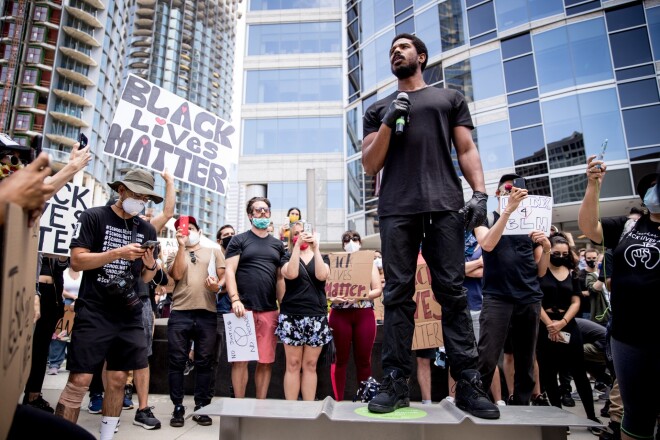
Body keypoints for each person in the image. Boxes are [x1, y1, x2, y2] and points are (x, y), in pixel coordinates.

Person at [361, 33, 497, 418]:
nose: (395, 52)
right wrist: (390, 119)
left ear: (420, 56)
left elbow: (467, 149)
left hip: (444, 205)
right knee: (398, 294)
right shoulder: (379, 109)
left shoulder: (448, 99)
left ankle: (469, 385)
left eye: (403, 47)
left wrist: (480, 194)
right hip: (396, 209)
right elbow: (371, 164)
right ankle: (394, 384)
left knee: (452, 293)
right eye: (391, 50)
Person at [53, 169, 162, 440]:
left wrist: (150, 264)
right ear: (121, 190)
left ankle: (107, 436)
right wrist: (117, 253)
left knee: (117, 378)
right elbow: (77, 260)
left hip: (129, 312)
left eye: (144, 197)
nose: (139, 201)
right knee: (80, 380)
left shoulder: (146, 228)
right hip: (94, 309)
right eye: (136, 195)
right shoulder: (94, 217)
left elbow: (146, 277)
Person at [578, 157, 660, 440]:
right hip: (628, 335)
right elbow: (590, 227)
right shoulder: (629, 226)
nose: (655, 190)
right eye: (650, 187)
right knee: (636, 412)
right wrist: (593, 185)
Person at [473, 173, 551, 406]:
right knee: (487, 355)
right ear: (499, 194)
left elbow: (540, 272)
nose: (513, 196)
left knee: (526, 358)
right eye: (508, 192)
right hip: (497, 297)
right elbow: (487, 244)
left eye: (519, 193)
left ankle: (522, 401)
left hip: (528, 297)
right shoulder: (483, 219)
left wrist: (546, 248)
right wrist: (507, 212)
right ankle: (477, 398)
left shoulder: (532, 225)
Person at [535, 234, 601, 431]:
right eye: (556, 253)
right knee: (548, 374)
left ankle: (591, 417)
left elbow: (576, 301)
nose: (561, 256)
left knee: (579, 373)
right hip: (544, 326)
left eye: (565, 253)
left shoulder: (573, 274)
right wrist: (549, 324)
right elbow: (535, 300)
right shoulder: (540, 273)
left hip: (569, 326)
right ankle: (559, 418)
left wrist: (562, 322)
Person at [225, 197, 285, 399]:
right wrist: (235, 299)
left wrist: (282, 307)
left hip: (269, 310)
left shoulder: (278, 245)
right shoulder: (239, 240)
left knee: (266, 361)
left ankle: (260, 406)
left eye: (266, 210)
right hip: (242, 309)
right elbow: (230, 271)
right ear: (250, 215)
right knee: (240, 361)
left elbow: (279, 278)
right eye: (257, 210)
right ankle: (239, 405)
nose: (262, 214)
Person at [167, 215, 224, 427]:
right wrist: (181, 246)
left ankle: (201, 405)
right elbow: (177, 274)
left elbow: (222, 280)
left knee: (204, 362)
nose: (188, 231)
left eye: (191, 228)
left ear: (199, 231)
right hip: (180, 313)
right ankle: (178, 407)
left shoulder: (214, 251)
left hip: (207, 313)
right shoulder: (174, 254)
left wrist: (216, 286)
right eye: (183, 229)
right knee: (176, 362)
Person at [277, 221, 332, 400]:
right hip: (291, 314)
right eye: (296, 233)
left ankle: (308, 408)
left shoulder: (322, 257)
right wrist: (295, 249)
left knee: (310, 364)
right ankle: (291, 409)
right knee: (292, 364)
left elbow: (322, 275)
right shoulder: (286, 257)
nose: (301, 235)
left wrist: (316, 248)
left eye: (304, 232)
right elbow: (291, 274)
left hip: (316, 315)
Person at [328, 231, 382, 401]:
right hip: (340, 314)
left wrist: (361, 295)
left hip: (363, 313)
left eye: (354, 239)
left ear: (360, 242)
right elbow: (326, 290)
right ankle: (338, 400)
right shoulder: (334, 264)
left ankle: (366, 399)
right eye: (347, 240)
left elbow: (377, 290)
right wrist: (332, 297)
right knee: (339, 359)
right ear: (342, 244)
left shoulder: (370, 264)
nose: (351, 242)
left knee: (364, 360)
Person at [48, 266, 81, 375]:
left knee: (76, 336)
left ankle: (73, 364)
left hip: (80, 305)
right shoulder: (64, 272)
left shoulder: (84, 272)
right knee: (60, 335)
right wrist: (73, 297)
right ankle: (54, 364)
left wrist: (77, 300)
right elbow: (59, 287)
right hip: (65, 304)